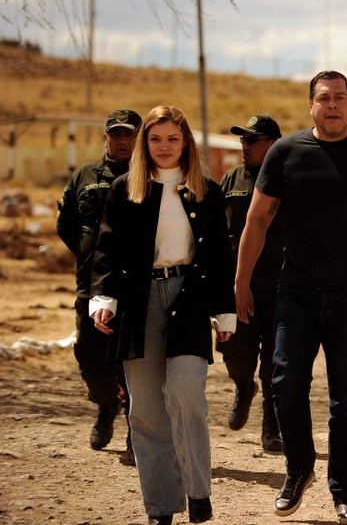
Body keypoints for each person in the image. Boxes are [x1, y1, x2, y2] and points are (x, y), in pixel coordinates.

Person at [234, 70, 347, 524]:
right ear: (311, 106)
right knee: (285, 383)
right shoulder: (286, 153)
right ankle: (298, 470)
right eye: (323, 98)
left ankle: (345, 492)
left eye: (340, 97)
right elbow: (257, 222)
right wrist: (240, 284)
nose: (332, 105)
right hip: (297, 292)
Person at [88, 105, 237, 525]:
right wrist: (103, 299)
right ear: (144, 144)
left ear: (186, 143)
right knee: (146, 409)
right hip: (138, 302)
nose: (165, 147)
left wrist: (223, 312)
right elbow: (106, 250)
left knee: (186, 394)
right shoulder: (124, 189)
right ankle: (161, 507)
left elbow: (219, 257)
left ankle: (198, 489)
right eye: (156, 139)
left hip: (187, 298)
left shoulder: (206, 189)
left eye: (173, 139)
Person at [57, 108, 142, 464]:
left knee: (136, 362)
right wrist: (89, 254)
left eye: (128, 134)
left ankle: (136, 431)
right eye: (115, 134)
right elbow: (67, 226)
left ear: (138, 138)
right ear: (105, 137)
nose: (122, 140)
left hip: (137, 285)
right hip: (90, 284)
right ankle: (106, 403)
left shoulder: (149, 175)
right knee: (90, 357)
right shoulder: (84, 176)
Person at [218, 115, 285, 452]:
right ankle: (243, 386)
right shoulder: (231, 180)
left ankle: (271, 427)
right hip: (237, 287)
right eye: (242, 140)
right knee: (236, 355)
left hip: (280, 287)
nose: (244, 146)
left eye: (252, 140)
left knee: (276, 362)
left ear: (272, 144)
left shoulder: (289, 178)